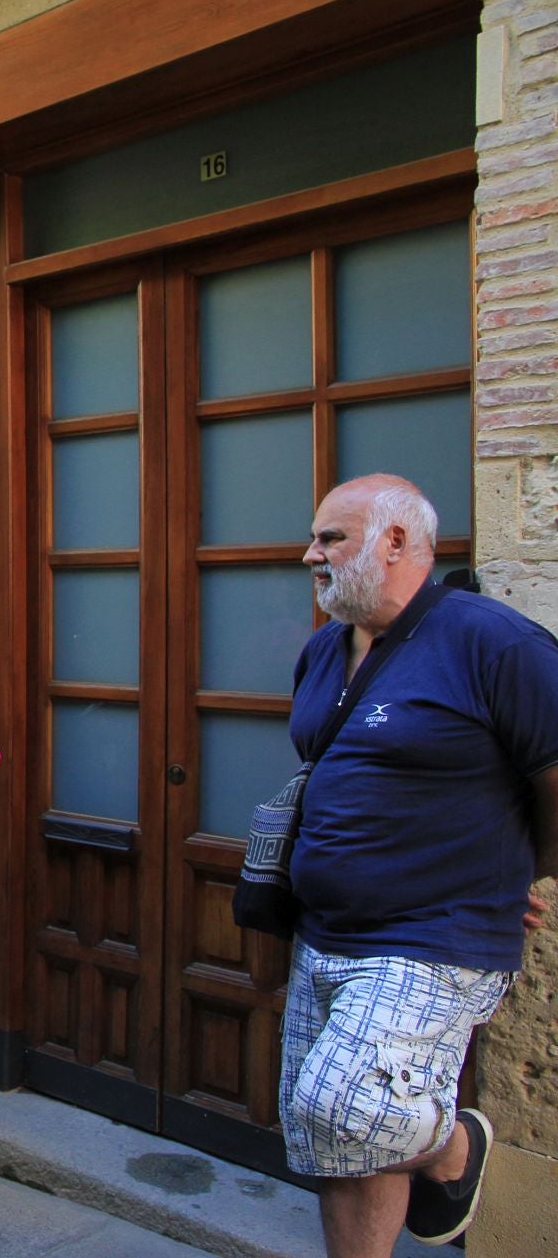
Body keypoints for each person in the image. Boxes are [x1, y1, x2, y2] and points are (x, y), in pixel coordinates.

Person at [273, 475, 558, 1257]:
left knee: (344, 1105)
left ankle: (454, 1146)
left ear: (395, 541)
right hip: (324, 930)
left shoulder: (495, 643)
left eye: (330, 538)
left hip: (437, 935)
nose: (311, 555)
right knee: (331, 1139)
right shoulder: (326, 651)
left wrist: (519, 871)